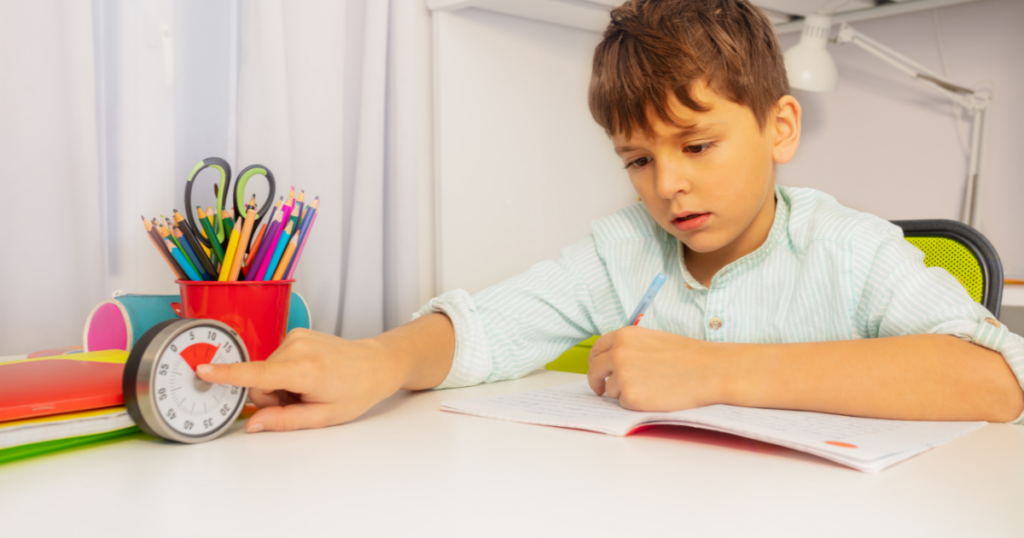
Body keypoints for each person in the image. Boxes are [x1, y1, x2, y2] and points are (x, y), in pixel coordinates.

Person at [198, 0, 1024, 432]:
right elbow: (488, 327)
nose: (667, 187)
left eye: (697, 146)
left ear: (779, 128)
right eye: (638, 159)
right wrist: (378, 361)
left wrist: (714, 371)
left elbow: (997, 379)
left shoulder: (850, 249)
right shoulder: (625, 251)